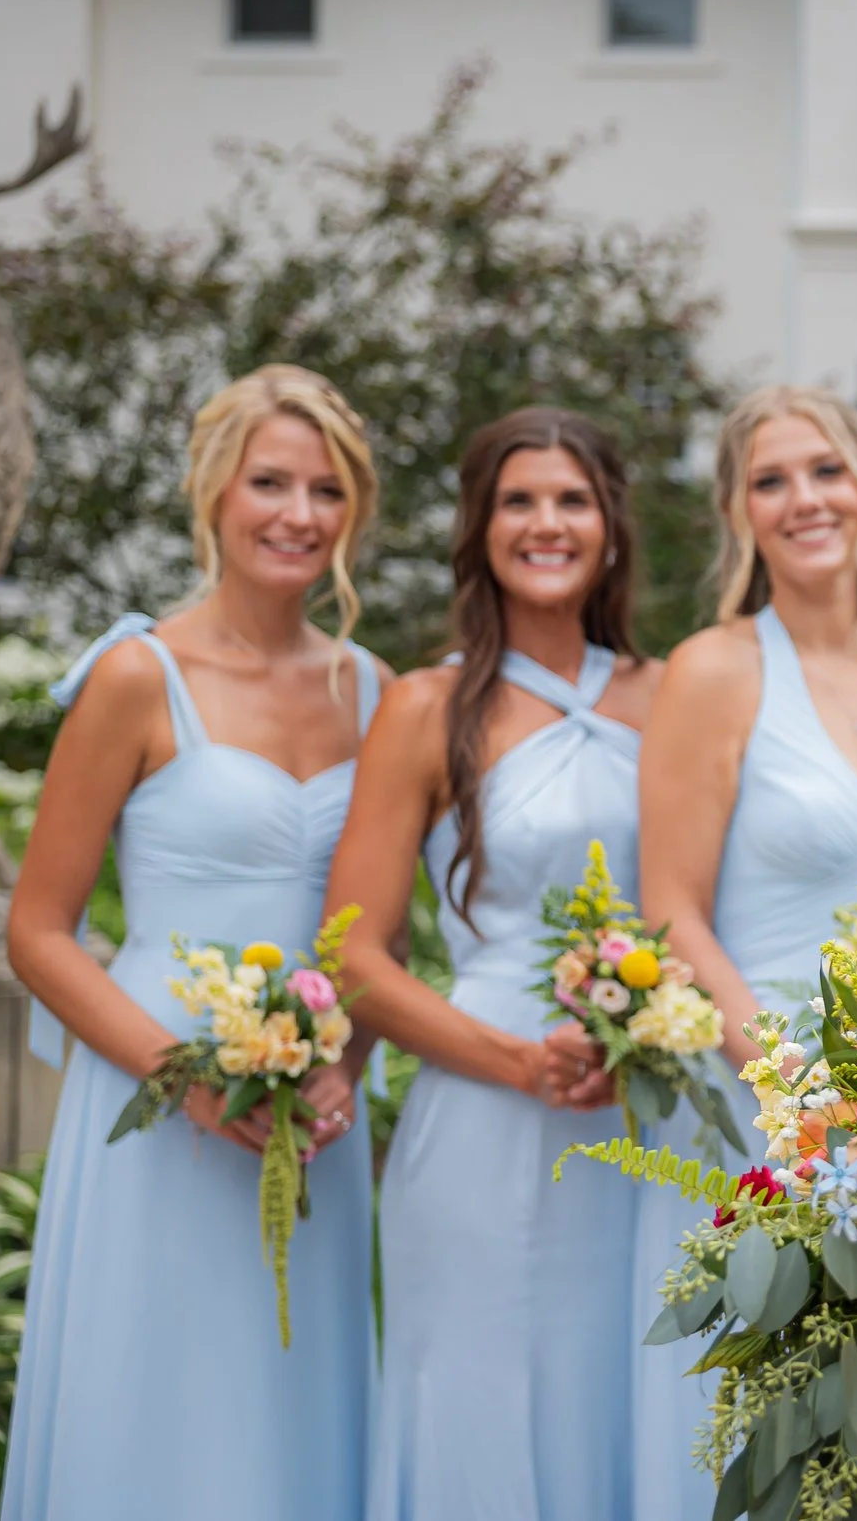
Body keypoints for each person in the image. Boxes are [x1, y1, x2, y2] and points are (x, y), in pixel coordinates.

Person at [1, 366, 383, 1520]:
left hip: (314, 1104)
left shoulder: (375, 689)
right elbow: (38, 929)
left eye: (326, 489)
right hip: (154, 1088)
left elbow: (381, 927)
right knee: (156, 1385)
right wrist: (185, 1080)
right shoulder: (136, 676)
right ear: (214, 491)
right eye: (270, 481)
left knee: (284, 1391)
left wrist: (338, 1069)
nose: (298, 513)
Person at [632, 384, 857, 1518]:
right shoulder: (714, 668)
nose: (806, 499)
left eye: (826, 470)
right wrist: (798, 1085)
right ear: (739, 511)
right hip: (762, 1111)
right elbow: (672, 910)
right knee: (757, 1431)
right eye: (771, 479)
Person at [327, 408, 655, 1519]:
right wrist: (518, 1062)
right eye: (518, 500)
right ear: (480, 528)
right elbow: (356, 955)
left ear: (611, 525)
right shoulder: (424, 708)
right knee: (473, 1389)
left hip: (645, 1105)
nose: (546, 522)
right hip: (479, 1104)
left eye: (572, 498)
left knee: (630, 1379)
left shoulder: (673, 699)